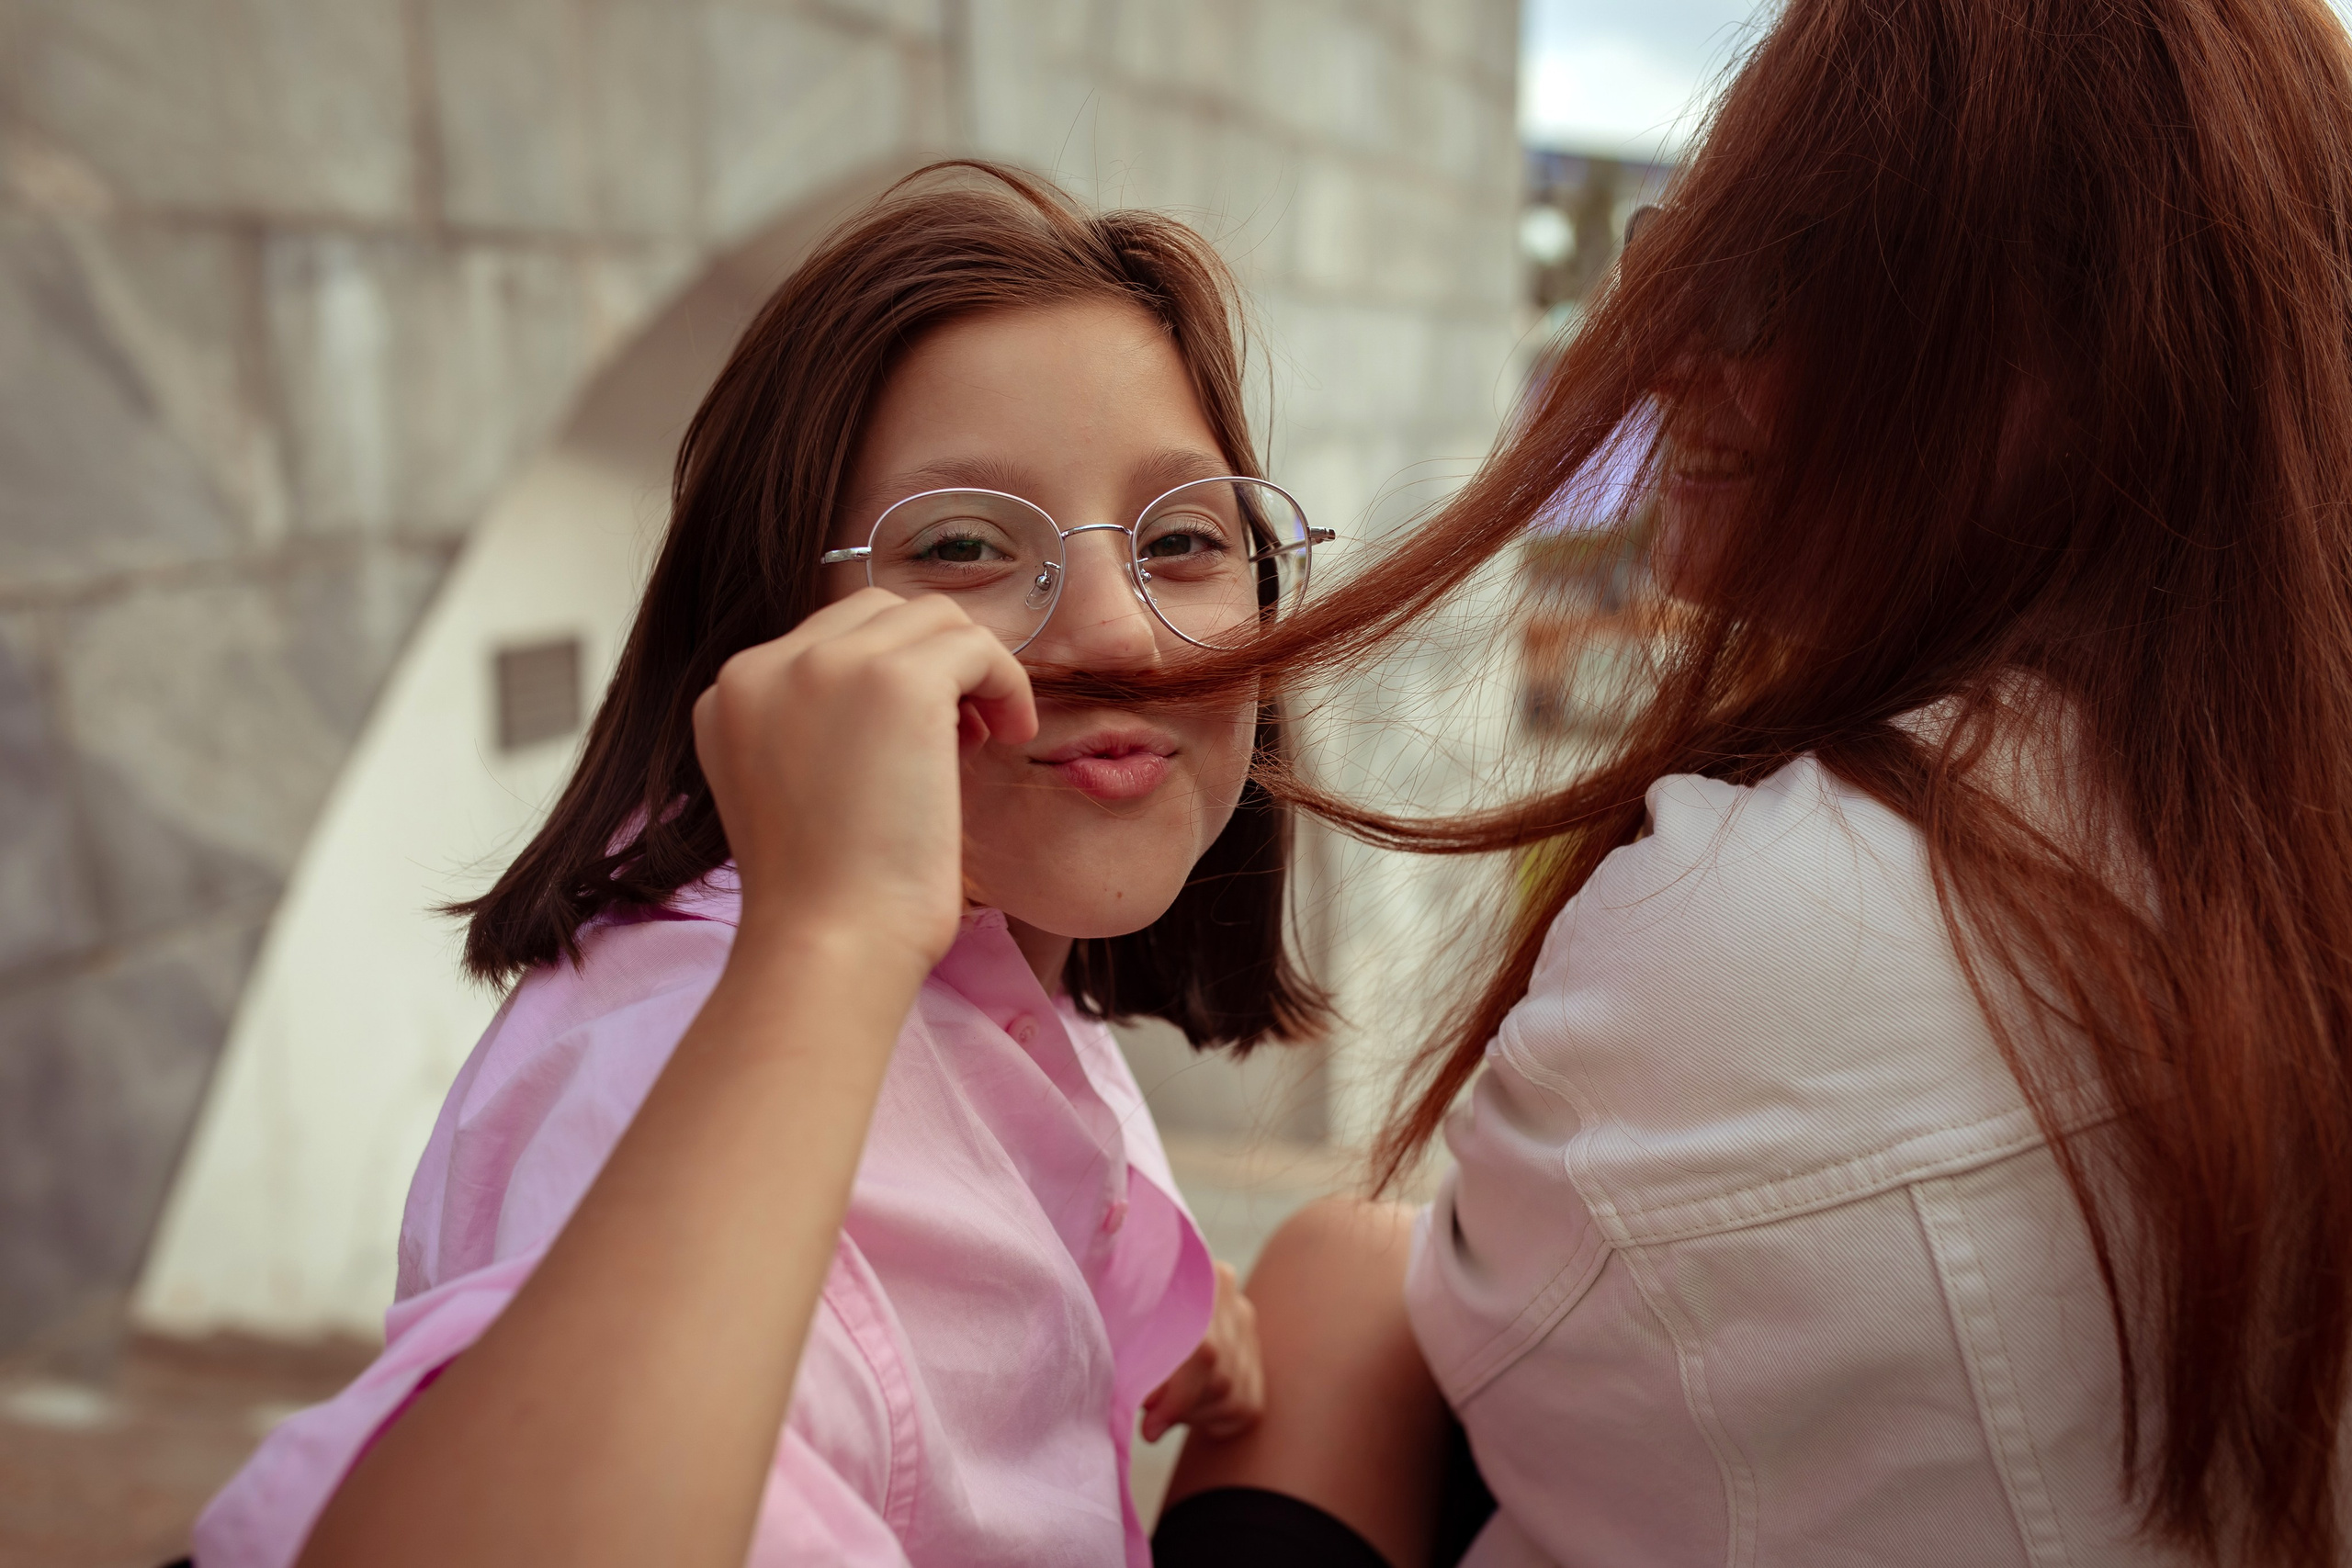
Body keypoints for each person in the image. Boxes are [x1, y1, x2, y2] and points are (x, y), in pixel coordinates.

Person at [1150, 0, 2352, 1564]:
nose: (1660, 352)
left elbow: (1491, 1346)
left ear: (2080, 353)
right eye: (1668, 255)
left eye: (1765, 271)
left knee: (1333, 1276)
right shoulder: (2245, 829)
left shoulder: (1793, 924)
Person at [189, 163, 1330, 1568]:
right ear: (772, 638)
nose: (1122, 632)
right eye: (964, 546)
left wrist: (1139, 1285)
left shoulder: (986, 948)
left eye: (1185, 538)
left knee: (1351, 1277)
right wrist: (831, 938)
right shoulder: (698, 1059)